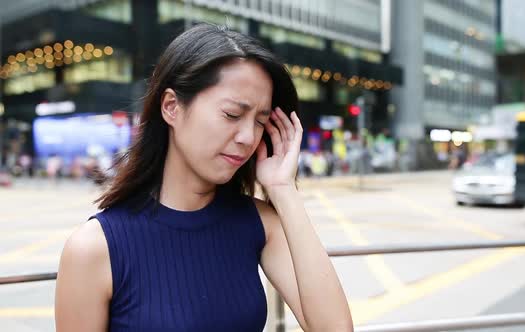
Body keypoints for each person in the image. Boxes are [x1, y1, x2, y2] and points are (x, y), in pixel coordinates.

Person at [54, 23, 352, 332]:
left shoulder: (259, 222)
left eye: (261, 122)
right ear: (171, 107)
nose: (248, 137)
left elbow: (335, 329)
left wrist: (282, 189)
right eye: (232, 115)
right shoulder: (94, 249)